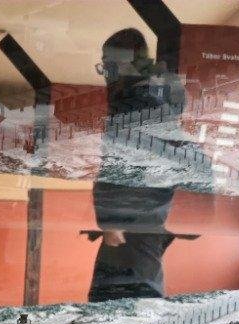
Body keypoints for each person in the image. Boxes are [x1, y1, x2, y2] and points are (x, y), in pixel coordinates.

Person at [90, 28, 187, 301]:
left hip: (128, 215)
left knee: (113, 301)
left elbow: (116, 165)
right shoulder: (163, 95)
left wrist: (110, 220)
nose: (106, 73)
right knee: (141, 291)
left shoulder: (133, 102)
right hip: (151, 212)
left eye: (108, 64)